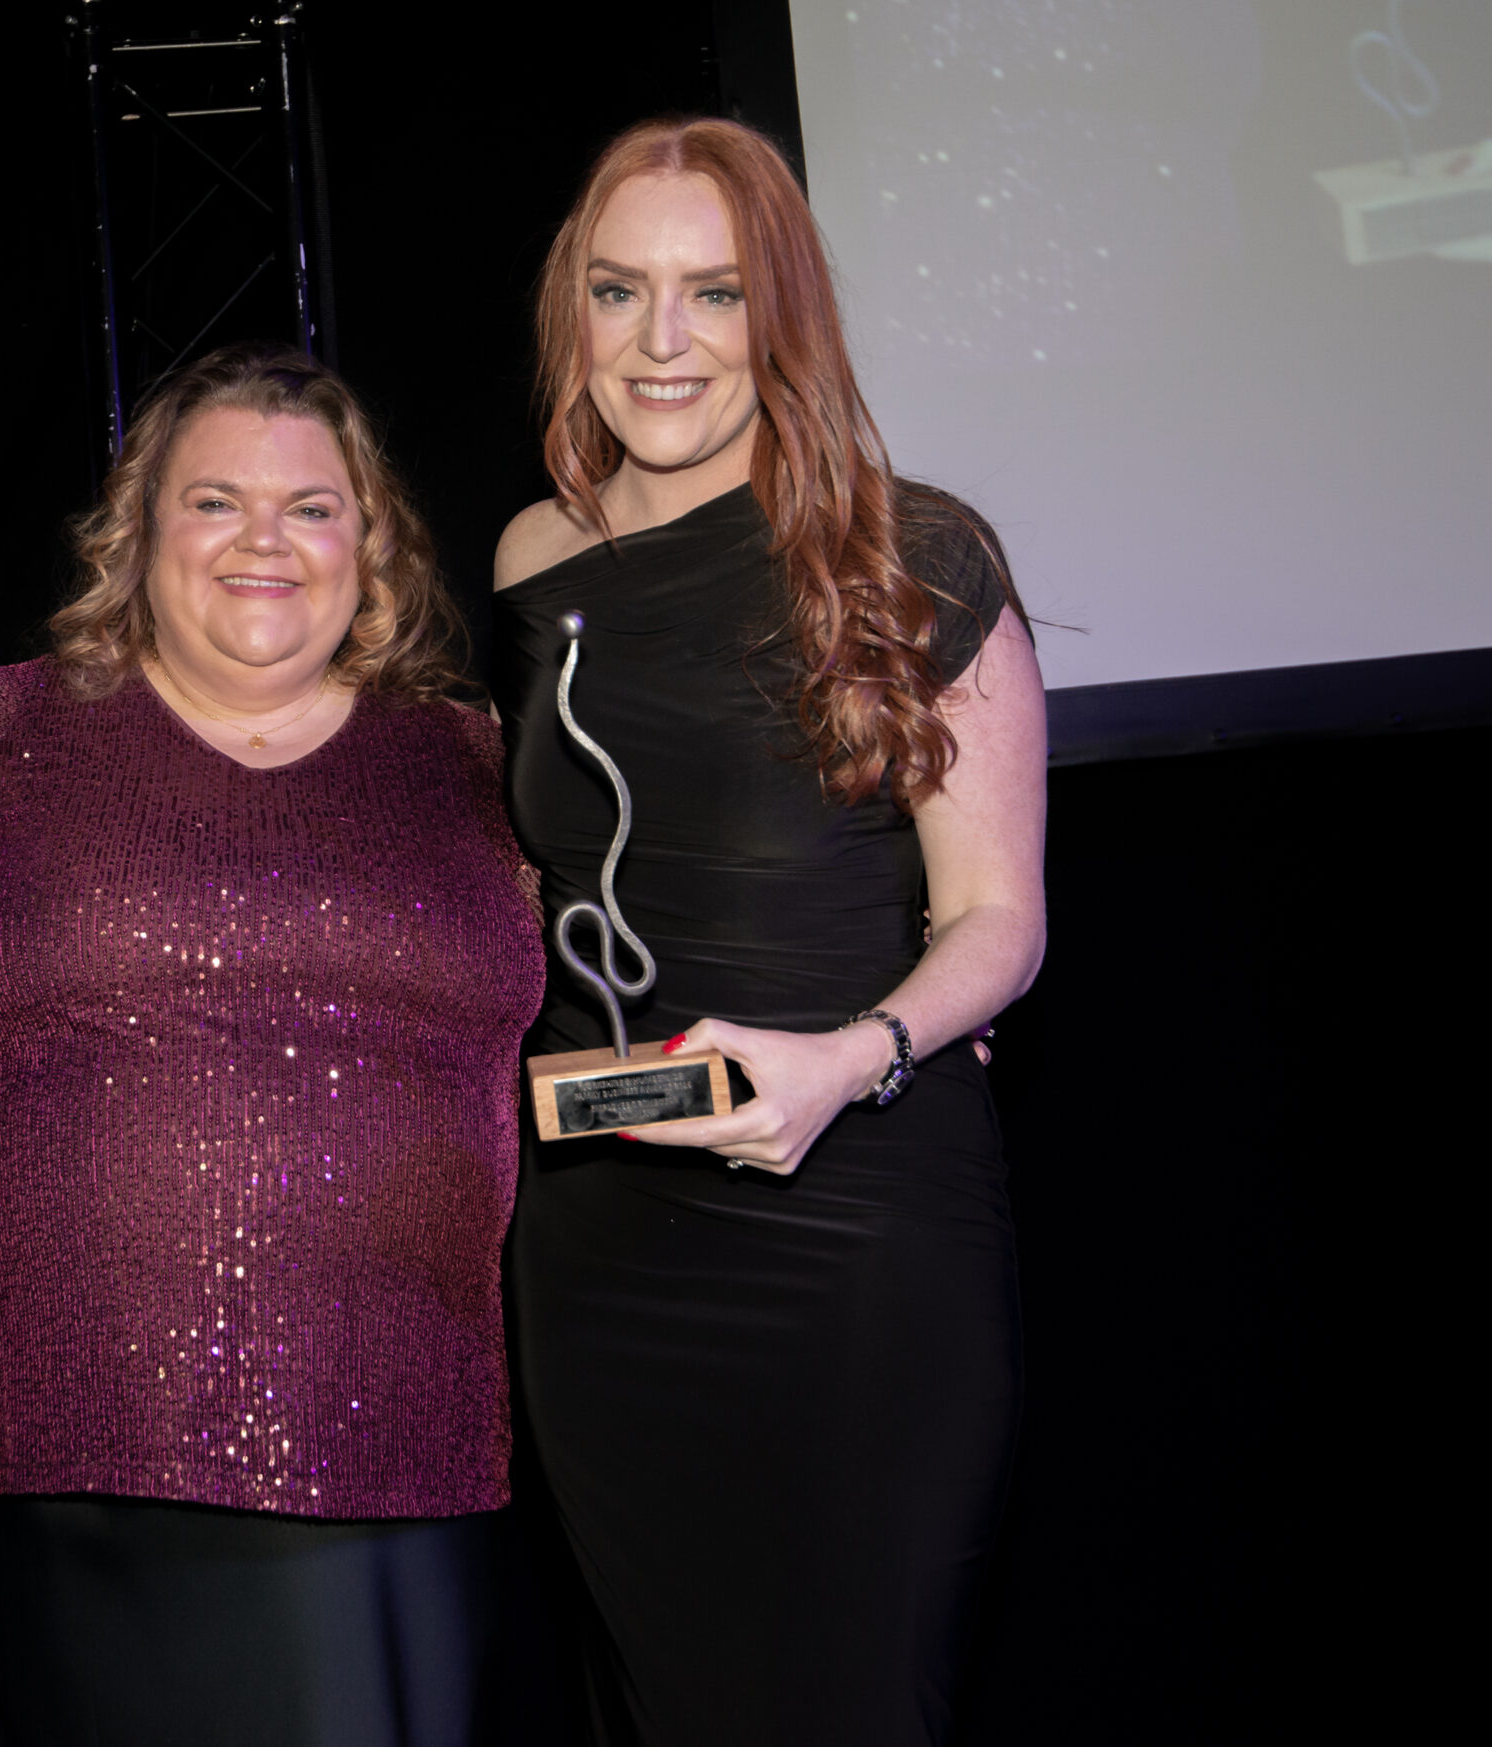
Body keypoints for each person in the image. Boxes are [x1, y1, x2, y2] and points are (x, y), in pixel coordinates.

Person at [490, 118, 1047, 1746]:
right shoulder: (532, 556)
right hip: (600, 1243)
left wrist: (854, 1056)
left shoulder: (909, 553)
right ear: (575, 314)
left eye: (715, 293)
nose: (661, 341)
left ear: (780, 314)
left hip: (852, 1226)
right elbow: (545, 867)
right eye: (620, 291)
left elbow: (1000, 919)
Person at [0, 345, 547, 1745]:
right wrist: (12, 1118)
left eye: (312, 508)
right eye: (215, 501)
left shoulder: (479, 763)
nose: (266, 540)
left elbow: (644, 967)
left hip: (402, 1431)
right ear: (139, 529)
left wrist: (881, 1003)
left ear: (371, 546)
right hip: (65, 1444)